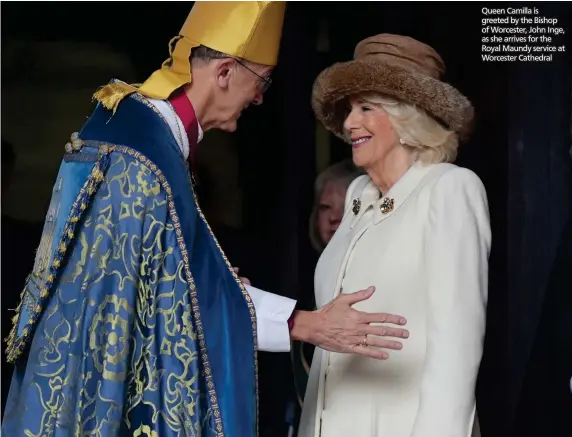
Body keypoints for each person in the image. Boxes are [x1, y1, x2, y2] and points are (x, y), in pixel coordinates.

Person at [2, 4, 409, 436]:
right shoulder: (144, 160)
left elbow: (168, 280)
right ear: (225, 72)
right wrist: (307, 324)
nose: (259, 97)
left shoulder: (131, 130)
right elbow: (186, 290)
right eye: (262, 81)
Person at [298, 34, 492, 437]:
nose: (350, 122)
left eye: (366, 107)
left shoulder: (448, 188)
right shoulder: (356, 196)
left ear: (407, 117)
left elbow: (457, 349)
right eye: (350, 109)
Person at [291, 160, 363, 417]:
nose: (334, 217)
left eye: (346, 207)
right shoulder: (307, 284)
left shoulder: (366, 283)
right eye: (325, 207)